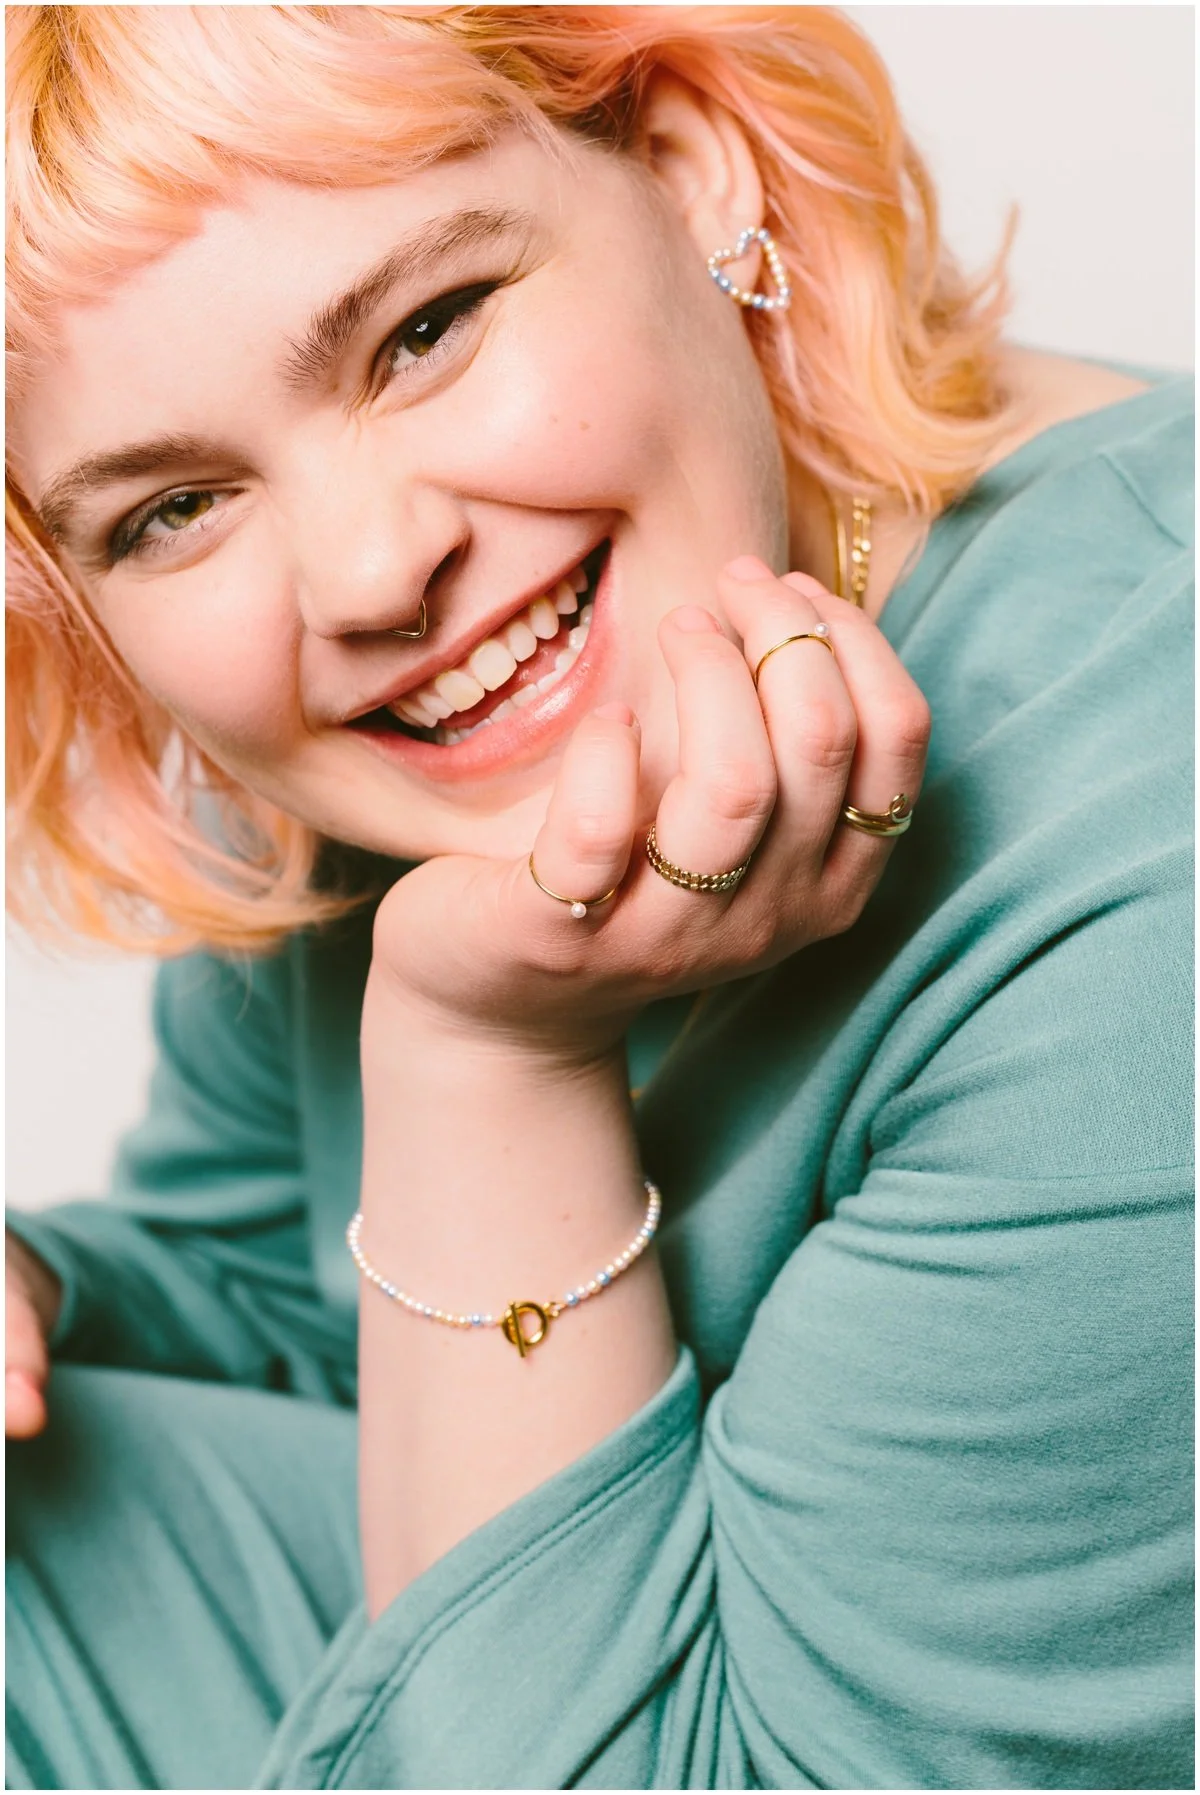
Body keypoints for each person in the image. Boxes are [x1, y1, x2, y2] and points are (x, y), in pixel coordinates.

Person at [4, 6, 1192, 1789]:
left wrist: (488, 1056)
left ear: (693, 170)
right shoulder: (429, 749)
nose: (372, 572)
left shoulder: (1141, 867)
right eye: (175, 509)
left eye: (423, 330)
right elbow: (296, 1300)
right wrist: (41, 1283)